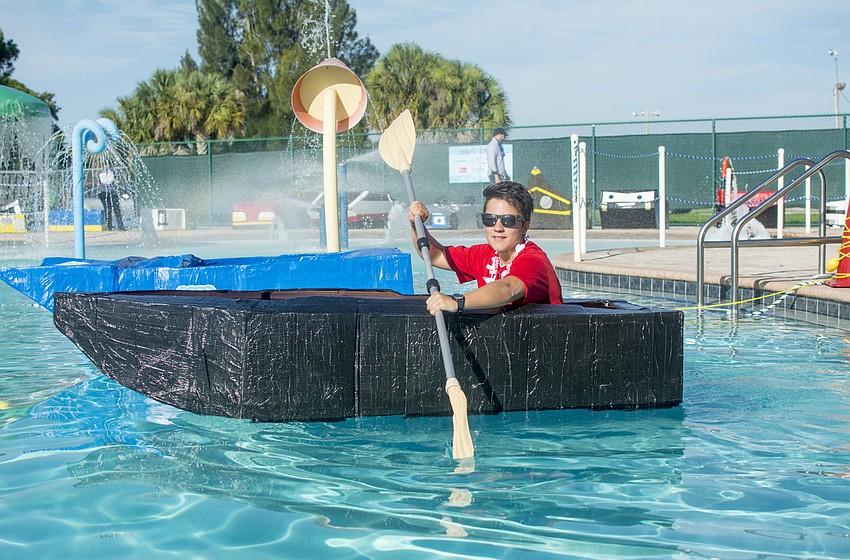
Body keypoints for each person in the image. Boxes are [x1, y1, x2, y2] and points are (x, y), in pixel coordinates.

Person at [408, 180, 563, 316]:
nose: (497, 227)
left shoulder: (534, 261)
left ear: (525, 227)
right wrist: (416, 226)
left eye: (508, 220)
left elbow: (508, 288)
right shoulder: (484, 254)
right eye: (489, 219)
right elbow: (435, 256)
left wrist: (457, 302)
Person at [97, 163, 125, 231]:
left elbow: (99, 183)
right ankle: (115, 226)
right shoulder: (110, 171)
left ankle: (113, 226)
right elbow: (117, 181)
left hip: (106, 192)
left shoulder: (101, 172)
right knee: (112, 209)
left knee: (111, 209)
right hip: (108, 192)